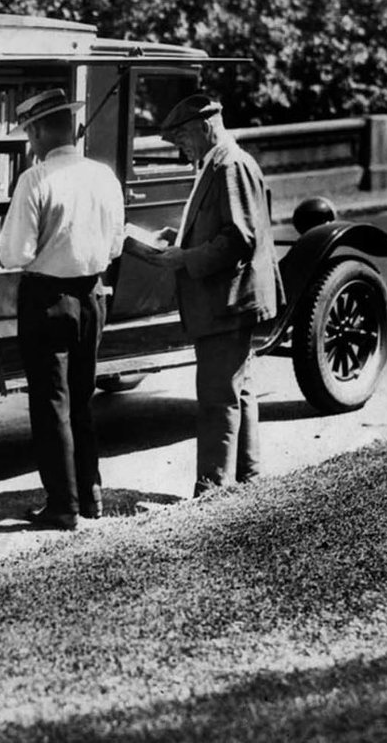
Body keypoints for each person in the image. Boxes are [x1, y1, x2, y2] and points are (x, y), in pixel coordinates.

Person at [0, 89, 124, 531]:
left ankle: (62, 505)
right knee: (82, 398)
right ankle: (91, 494)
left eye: (29, 133)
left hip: (48, 298)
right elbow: (115, 245)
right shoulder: (103, 176)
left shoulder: (35, 180)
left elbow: (16, 253)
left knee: (52, 403)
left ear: (36, 131)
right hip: (91, 296)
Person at [142, 94, 283, 497]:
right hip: (231, 299)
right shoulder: (221, 162)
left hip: (227, 300)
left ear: (206, 126)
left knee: (217, 396)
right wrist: (182, 238)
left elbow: (239, 238)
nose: (180, 147)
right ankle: (248, 477)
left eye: (183, 137)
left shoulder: (229, 164)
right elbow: (225, 227)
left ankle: (213, 489)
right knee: (237, 389)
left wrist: (184, 257)